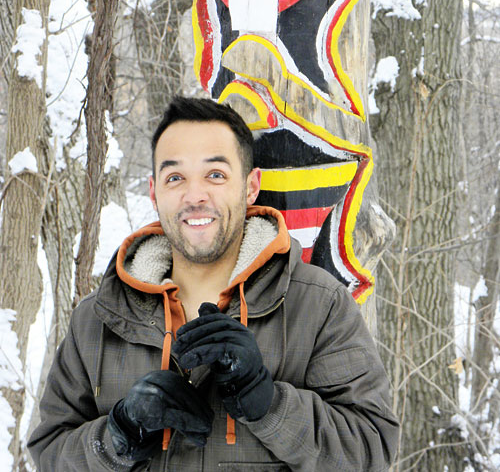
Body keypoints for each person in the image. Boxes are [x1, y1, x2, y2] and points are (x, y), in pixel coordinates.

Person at [28, 96, 399, 471]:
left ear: (250, 186)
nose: (195, 196)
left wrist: (270, 404)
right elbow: (49, 453)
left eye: (215, 175)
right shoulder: (99, 317)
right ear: (155, 191)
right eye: (176, 178)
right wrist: (119, 433)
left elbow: (372, 450)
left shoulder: (318, 305)